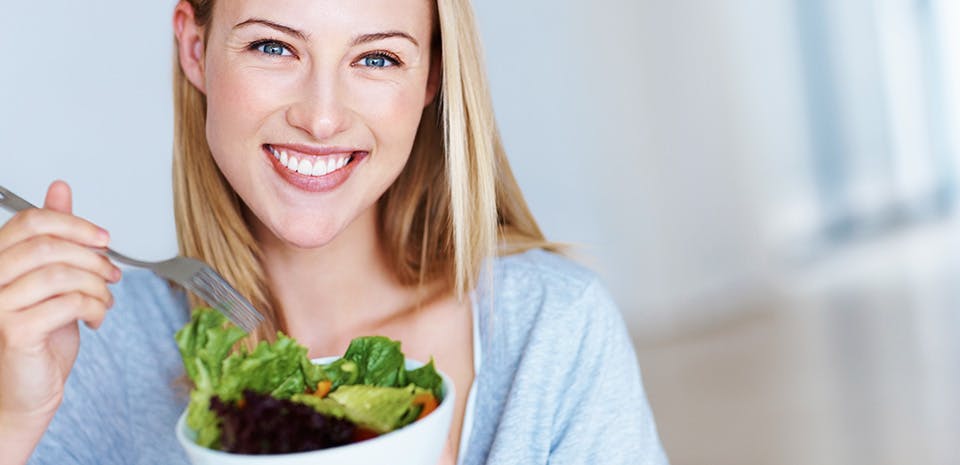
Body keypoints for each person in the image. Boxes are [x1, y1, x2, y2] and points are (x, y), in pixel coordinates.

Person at [0, 0, 669, 463]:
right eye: (273, 46)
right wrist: (12, 419)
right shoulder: (85, 349)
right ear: (196, 49)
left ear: (432, 74)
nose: (321, 118)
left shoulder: (550, 331)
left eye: (376, 59)